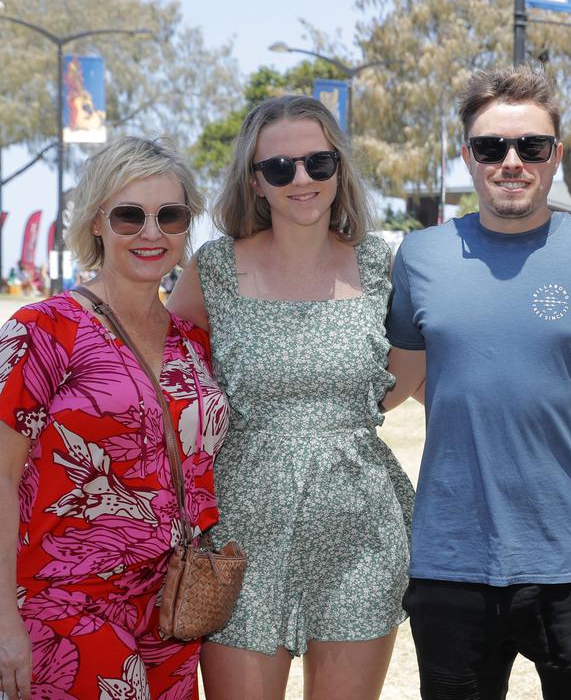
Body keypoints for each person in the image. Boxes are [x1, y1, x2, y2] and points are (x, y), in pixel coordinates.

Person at [384, 67, 571, 699]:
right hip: (451, 561)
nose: (512, 161)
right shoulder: (420, 257)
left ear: (556, 156)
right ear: (466, 156)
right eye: (491, 147)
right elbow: (399, 383)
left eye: (531, 146)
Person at [0, 136, 227, 700]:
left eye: (169, 216)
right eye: (130, 215)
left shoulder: (193, 343)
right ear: (96, 223)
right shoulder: (40, 332)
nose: (151, 233)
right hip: (67, 613)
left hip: (173, 613)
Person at [166, 95, 412, 700]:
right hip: (240, 532)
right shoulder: (214, 268)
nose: (301, 179)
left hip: (360, 531)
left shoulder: (383, 265)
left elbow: (416, 376)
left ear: (339, 169)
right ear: (256, 183)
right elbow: (164, 377)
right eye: (280, 168)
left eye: (317, 163)